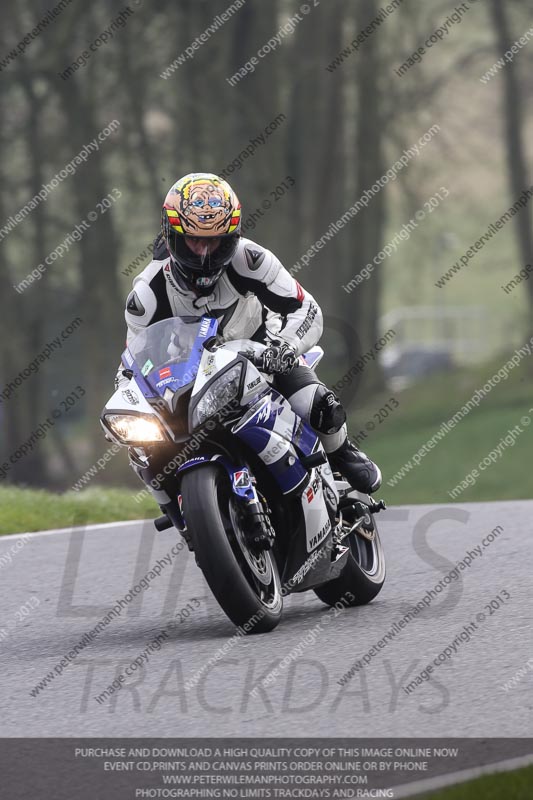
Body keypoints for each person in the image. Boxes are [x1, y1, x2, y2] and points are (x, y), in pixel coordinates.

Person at [116, 172, 381, 495]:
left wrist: (285, 346)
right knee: (145, 449)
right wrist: (129, 395)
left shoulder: (251, 259)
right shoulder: (147, 293)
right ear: (171, 236)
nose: (204, 254)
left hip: (262, 353)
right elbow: (133, 361)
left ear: (233, 236)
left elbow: (305, 308)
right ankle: (176, 509)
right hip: (190, 377)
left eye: (215, 242)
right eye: (194, 241)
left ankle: (342, 453)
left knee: (316, 403)